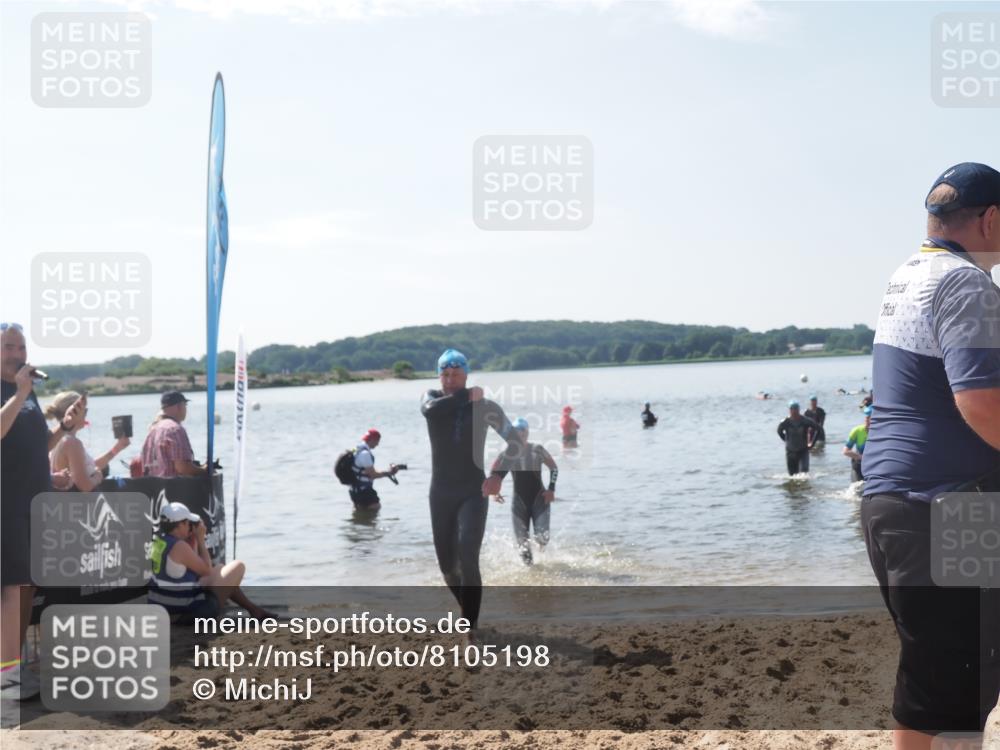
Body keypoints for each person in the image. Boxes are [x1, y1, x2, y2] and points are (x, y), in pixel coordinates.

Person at [861, 162, 1000, 744]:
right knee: (951, 687)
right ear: (991, 220)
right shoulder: (965, 283)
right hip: (946, 506)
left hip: (895, 503)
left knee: (945, 679)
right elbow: (980, 402)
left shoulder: (911, 274)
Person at [421, 348, 523, 633]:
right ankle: (468, 608)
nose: (450, 380)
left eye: (456, 374)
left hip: (472, 492)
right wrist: (466, 396)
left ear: (466, 375)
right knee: (448, 568)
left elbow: (515, 443)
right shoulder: (431, 399)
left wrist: (498, 475)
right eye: (445, 374)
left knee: (468, 554)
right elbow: (430, 411)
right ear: (439, 375)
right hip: (440, 493)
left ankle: (470, 627)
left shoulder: (486, 408)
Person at [1, 323, 76, 700]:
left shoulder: (23, 391)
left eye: (21, 347)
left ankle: (14, 668)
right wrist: (20, 393)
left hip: (35, 502)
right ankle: (7, 680)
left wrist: (63, 429)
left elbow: (35, 444)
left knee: (27, 587)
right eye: (9, 347)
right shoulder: (15, 391)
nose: (17, 354)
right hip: (7, 506)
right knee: (11, 592)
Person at [148, 501, 274, 623]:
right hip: (183, 613)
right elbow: (206, 570)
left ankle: (254, 610)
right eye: (187, 523)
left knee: (220, 569)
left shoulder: (159, 541)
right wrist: (200, 539)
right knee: (238, 566)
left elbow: (192, 571)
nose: (189, 526)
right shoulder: (179, 546)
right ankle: (253, 610)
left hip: (162, 606)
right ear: (180, 525)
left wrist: (194, 540)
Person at [490, 418, 558, 565]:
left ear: (527, 433)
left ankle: (543, 566)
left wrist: (551, 489)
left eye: (523, 432)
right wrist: (494, 492)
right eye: (517, 432)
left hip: (540, 500)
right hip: (519, 503)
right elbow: (494, 472)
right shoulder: (507, 454)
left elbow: (553, 467)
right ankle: (531, 577)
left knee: (542, 538)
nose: (520, 435)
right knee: (523, 548)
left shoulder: (537, 450)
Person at [47, 391, 130, 491]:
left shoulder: (56, 440)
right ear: (74, 412)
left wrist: (118, 447)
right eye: (85, 411)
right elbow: (85, 486)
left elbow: (86, 468)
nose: (86, 415)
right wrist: (98, 477)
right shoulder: (71, 443)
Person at [140, 391, 208, 478]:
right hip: (174, 488)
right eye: (185, 405)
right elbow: (182, 468)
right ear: (179, 406)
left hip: (154, 489)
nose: (186, 409)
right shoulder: (175, 429)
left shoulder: (152, 430)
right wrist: (204, 470)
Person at [348, 428, 398, 510]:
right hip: (364, 491)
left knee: (360, 513)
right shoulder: (365, 454)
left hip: (354, 490)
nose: (378, 444)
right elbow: (372, 475)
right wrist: (388, 473)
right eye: (378, 441)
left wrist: (387, 472)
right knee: (376, 508)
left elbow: (366, 471)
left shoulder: (356, 450)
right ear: (373, 440)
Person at [776, 400, 824, 475]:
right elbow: (779, 431)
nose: (794, 411)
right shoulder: (785, 422)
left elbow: (818, 429)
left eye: (796, 408)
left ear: (799, 409)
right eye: (792, 409)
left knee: (804, 474)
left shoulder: (805, 420)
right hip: (790, 452)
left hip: (803, 450)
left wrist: (812, 443)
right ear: (789, 410)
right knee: (792, 475)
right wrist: (786, 440)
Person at [843, 406, 872, 483]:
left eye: (870, 418)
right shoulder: (857, 431)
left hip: (873, 467)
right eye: (867, 417)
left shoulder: (880, 432)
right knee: (857, 490)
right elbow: (845, 451)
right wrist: (861, 457)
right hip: (858, 466)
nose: (867, 420)